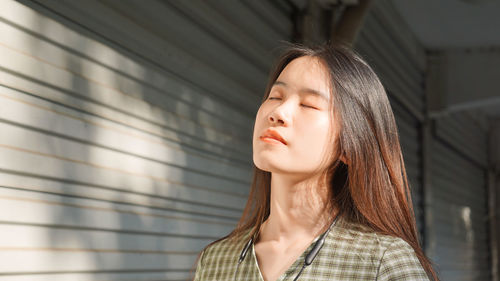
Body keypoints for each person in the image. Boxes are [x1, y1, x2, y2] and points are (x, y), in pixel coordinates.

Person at [191, 42, 439, 281]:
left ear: (348, 146)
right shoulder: (215, 261)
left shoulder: (382, 261)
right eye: (276, 96)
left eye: (308, 104)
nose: (278, 113)